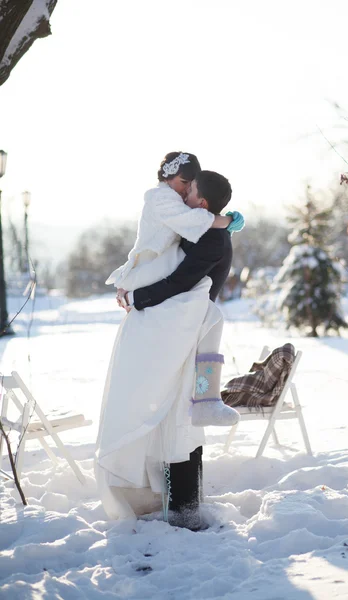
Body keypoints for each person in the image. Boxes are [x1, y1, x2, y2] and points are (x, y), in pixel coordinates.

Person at [95, 153, 242, 527]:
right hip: (176, 327)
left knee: (181, 420)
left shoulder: (210, 237)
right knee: (174, 419)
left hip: (185, 329)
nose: (183, 195)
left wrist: (137, 297)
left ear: (202, 202)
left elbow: (180, 283)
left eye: (189, 190)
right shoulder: (195, 226)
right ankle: (173, 502)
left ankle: (185, 507)